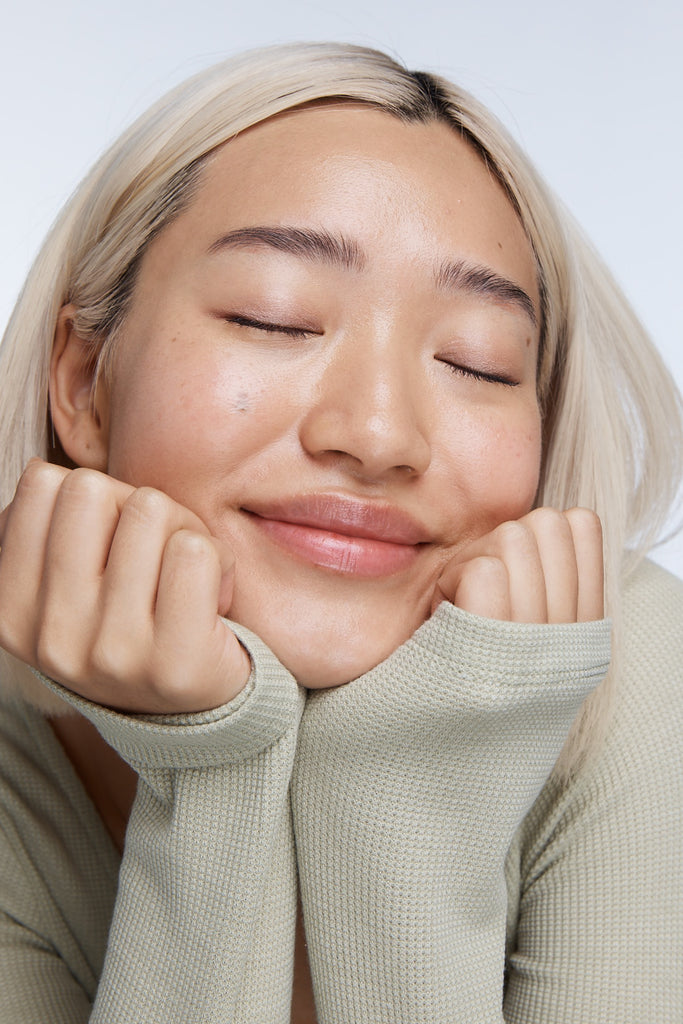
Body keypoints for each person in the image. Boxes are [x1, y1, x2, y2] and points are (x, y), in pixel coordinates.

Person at [0, 41, 681, 1024]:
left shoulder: (642, 669)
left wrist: (403, 800)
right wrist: (213, 768)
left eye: (478, 362)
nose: (375, 434)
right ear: (80, 382)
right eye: (272, 317)